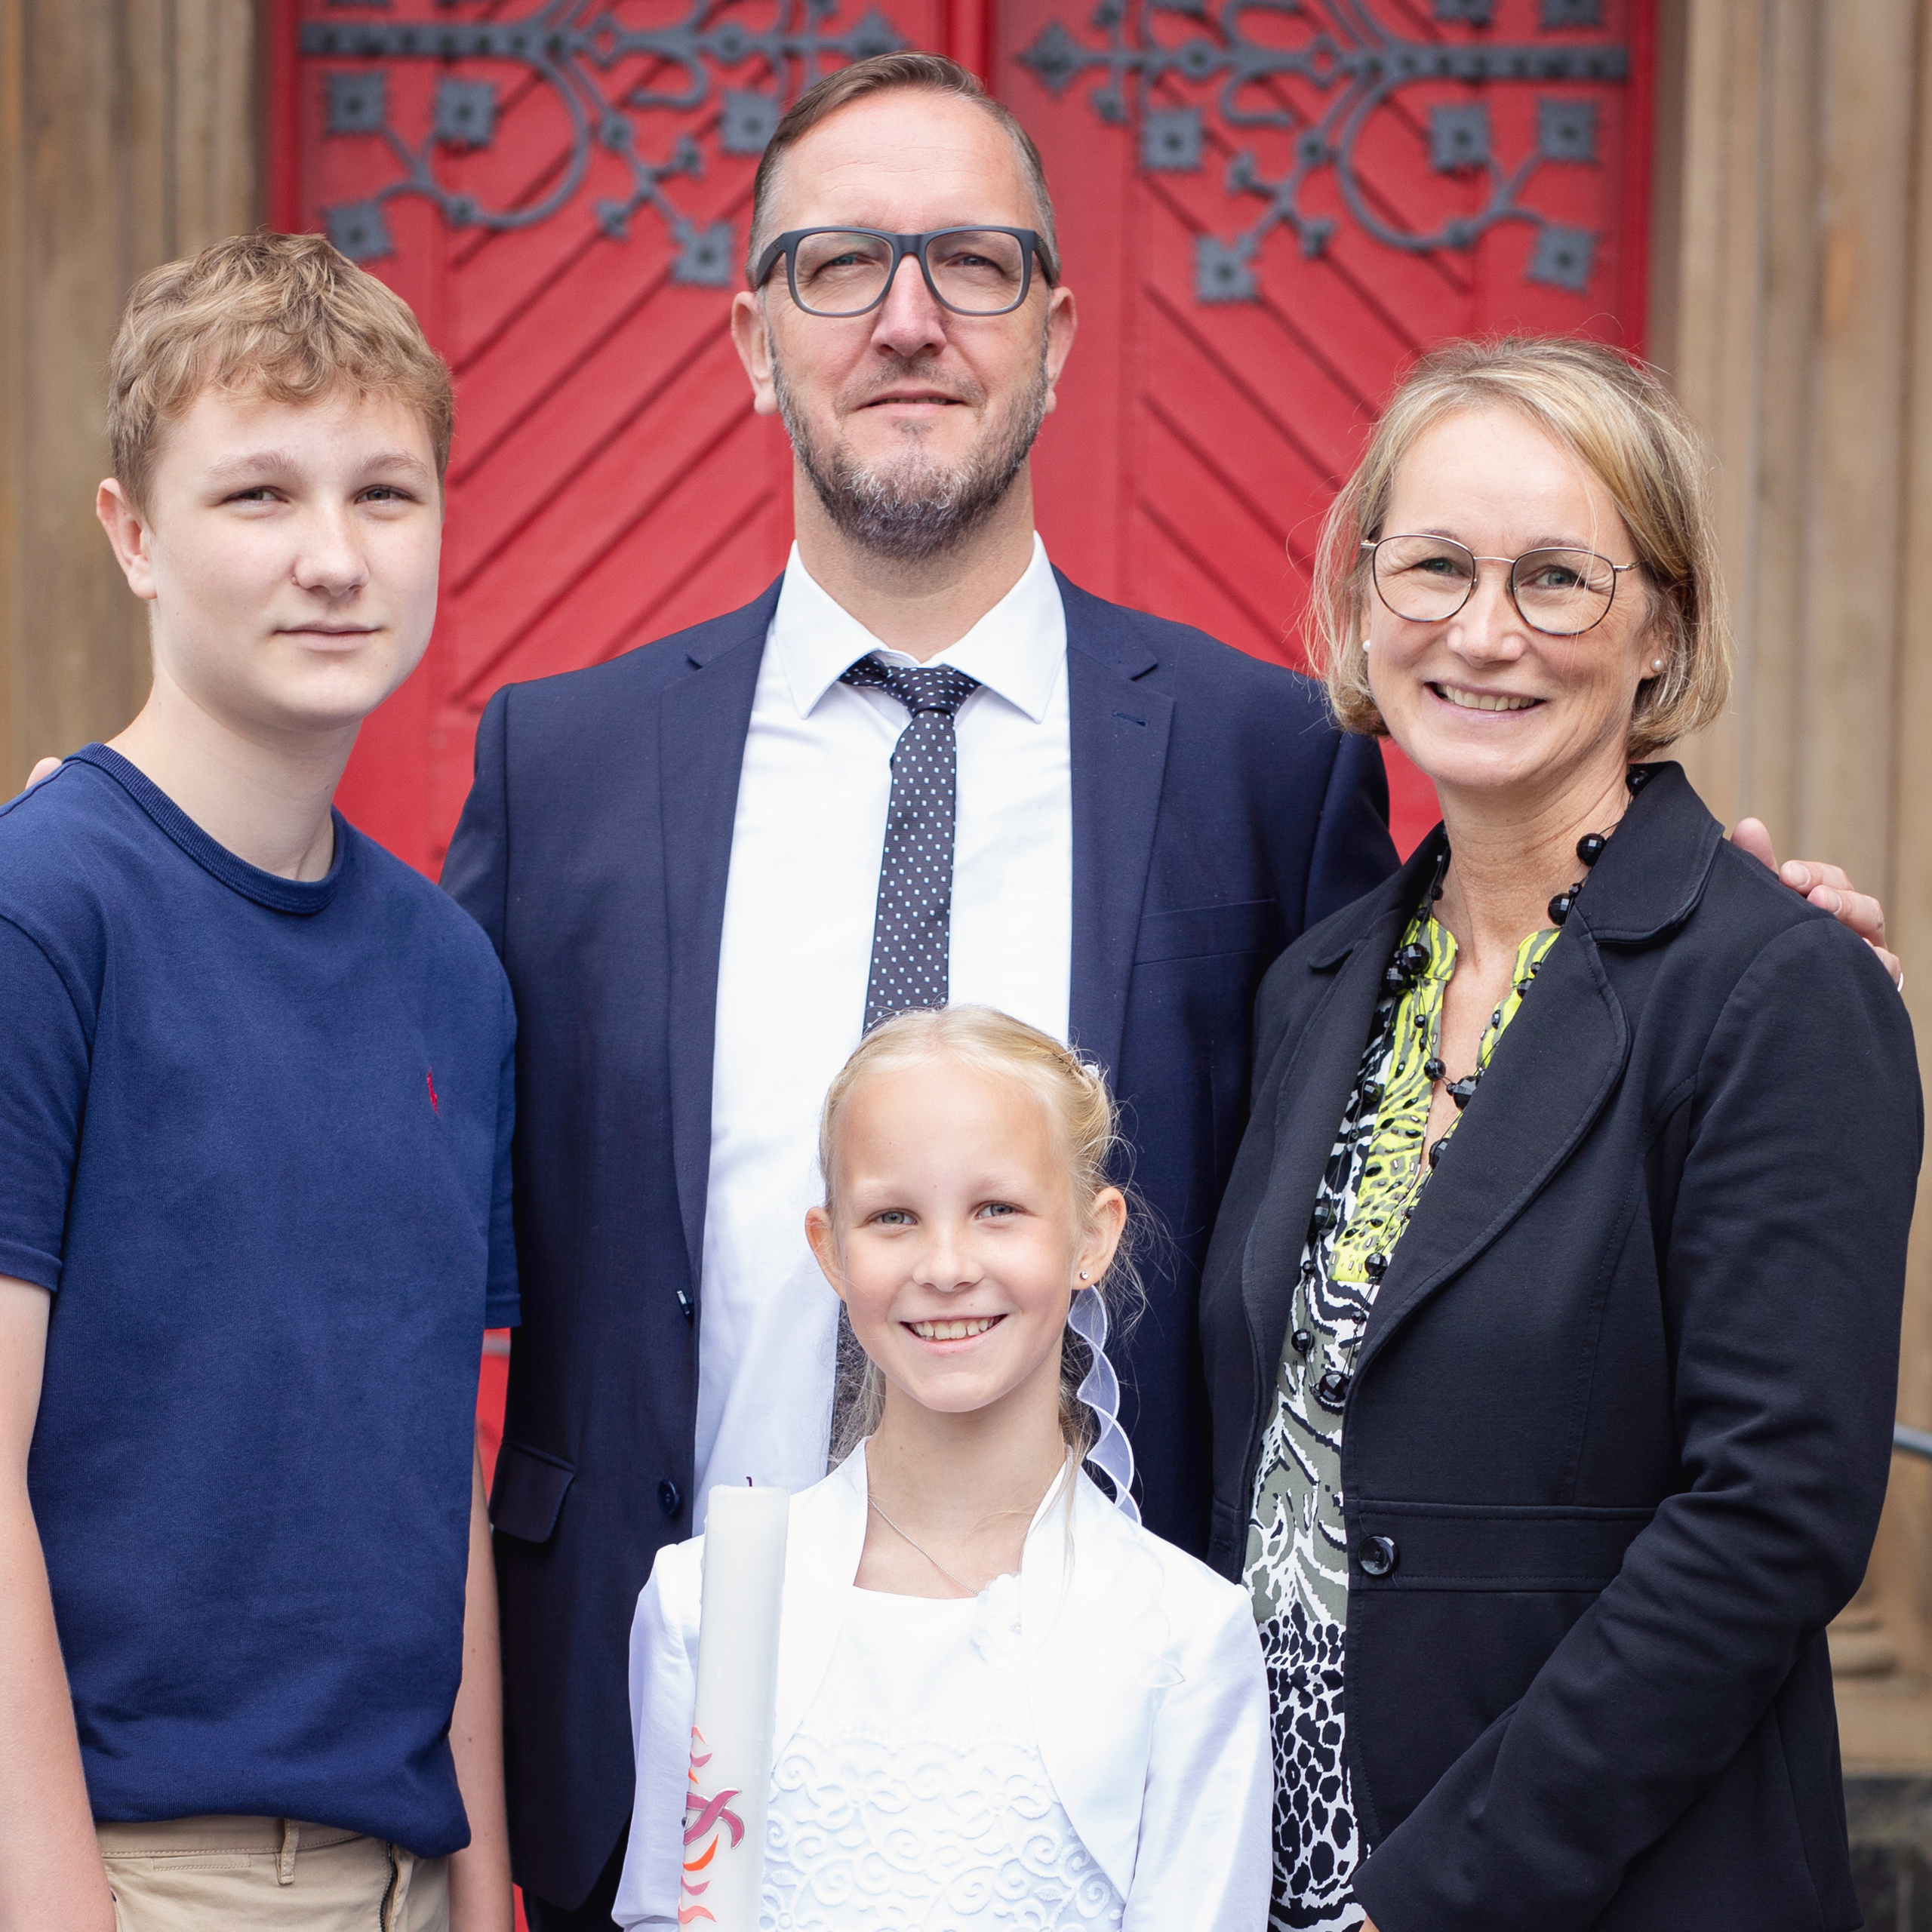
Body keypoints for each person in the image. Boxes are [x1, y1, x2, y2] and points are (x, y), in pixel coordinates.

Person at [441, 52, 1398, 1924]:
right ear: (748, 335)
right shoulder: (557, 765)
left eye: (969, 262)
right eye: (836, 265)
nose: (904, 319)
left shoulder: (1261, 758)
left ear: (1051, 329)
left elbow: (1413, 1144)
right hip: (646, 1693)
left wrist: (1693, 932)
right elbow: (376, 1147)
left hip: (1102, 1752)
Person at [1199, 335, 1921, 1931]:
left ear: (1657, 626)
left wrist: (1433, 1896)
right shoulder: (1318, 983)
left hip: (1584, 1885)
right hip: (1272, 1868)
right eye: (1434, 565)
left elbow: (1768, 1522)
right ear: (1362, 595)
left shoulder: (1773, 987)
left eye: (1553, 580)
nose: (1479, 630)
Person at [0, 235, 517, 1932]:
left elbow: (431, 1482)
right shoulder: (46, 903)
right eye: (255, 497)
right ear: (133, 536)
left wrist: (478, 1881)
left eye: (383, 492)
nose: (331, 557)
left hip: (395, 1875)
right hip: (136, 1870)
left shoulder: (451, 970)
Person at [614, 1006, 1272, 1930]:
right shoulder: (708, 1600)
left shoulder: (1184, 1638)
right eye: (893, 1216)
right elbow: (666, 1909)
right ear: (830, 1248)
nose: (948, 1263)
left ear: (1091, 1233)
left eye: (996, 1208)